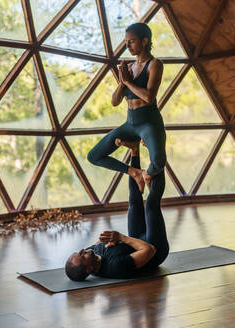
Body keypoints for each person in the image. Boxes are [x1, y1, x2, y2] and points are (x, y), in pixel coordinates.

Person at [65, 141, 169, 281]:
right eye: (82, 256)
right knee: (151, 206)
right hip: (154, 249)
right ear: (89, 269)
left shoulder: (91, 254)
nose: (83, 251)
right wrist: (120, 238)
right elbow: (150, 250)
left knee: (133, 203)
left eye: (79, 252)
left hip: (137, 240)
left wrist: (109, 239)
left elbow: (100, 244)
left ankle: (134, 150)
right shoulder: (115, 267)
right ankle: (157, 150)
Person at [87, 22, 166, 193]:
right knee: (94, 156)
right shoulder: (128, 68)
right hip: (130, 123)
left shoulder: (155, 64)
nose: (127, 45)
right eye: (126, 42)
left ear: (144, 41)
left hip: (149, 123)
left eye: (131, 41)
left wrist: (129, 82)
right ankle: (134, 172)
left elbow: (149, 97)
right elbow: (115, 102)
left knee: (159, 161)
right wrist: (122, 83)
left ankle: (147, 174)